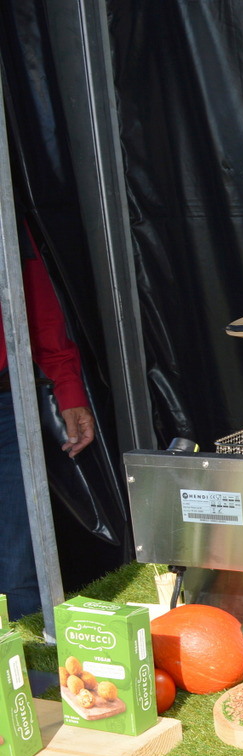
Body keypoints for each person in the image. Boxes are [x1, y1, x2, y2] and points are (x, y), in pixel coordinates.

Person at [0, 222, 95, 620]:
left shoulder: (4, 216)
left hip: (7, 406)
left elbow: (38, 310)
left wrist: (69, 391)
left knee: (19, 566)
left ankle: (32, 654)